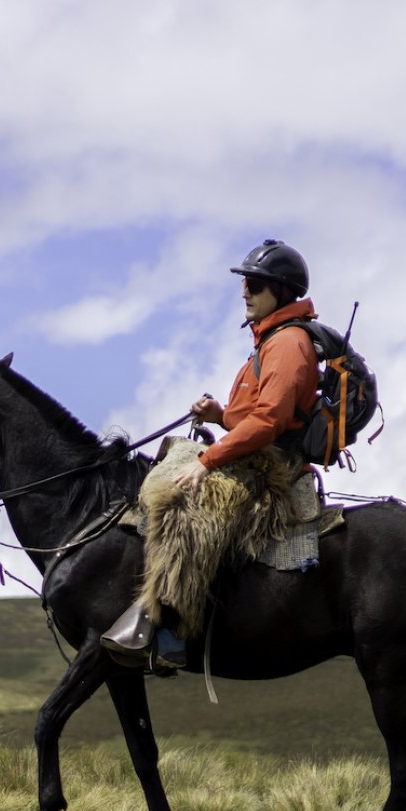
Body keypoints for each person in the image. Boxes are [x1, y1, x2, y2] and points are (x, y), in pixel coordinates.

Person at [102, 238, 322, 671]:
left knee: (184, 506)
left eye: (255, 285)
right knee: (165, 475)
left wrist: (206, 463)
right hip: (255, 452)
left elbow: (269, 423)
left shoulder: (288, 343)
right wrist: (220, 415)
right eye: (245, 284)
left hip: (269, 467)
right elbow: (253, 416)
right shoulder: (270, 339)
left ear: (280, 291)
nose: (245, 293)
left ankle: (170, 633)